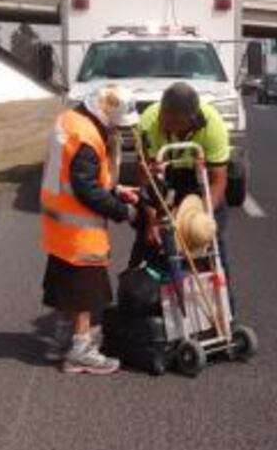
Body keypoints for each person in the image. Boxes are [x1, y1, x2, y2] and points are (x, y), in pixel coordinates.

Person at [40, 84, 140, 374]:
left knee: (64, 281)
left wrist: (116, 189)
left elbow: (79, 176)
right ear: (104, 113)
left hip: (58, 222)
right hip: (79, 227)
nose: (118, 129)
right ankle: (80, 351)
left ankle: (60, 341)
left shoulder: (70, 121)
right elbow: (87, 190)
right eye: (116, 123)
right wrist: (124, 211)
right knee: (87, 290)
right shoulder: (86, 136)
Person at [131, 82, 237, 310]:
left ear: (192, 118)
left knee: (210, 243)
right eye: (165, 120)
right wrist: (151, 219)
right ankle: (141, 305)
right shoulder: (148, 123)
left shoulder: (213, 125)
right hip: (163, 177)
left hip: (198, 179)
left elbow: (219, 179)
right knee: (150, 239)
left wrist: (202, 217)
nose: (168, 126)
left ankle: (225, 312)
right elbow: (144, 178)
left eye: (176, 123)